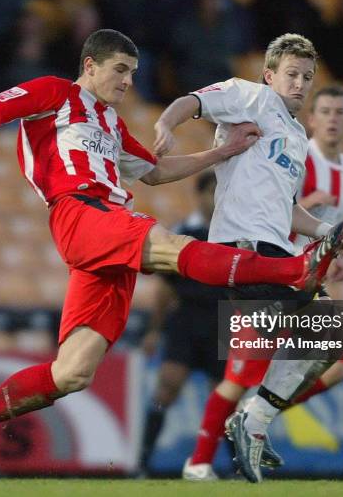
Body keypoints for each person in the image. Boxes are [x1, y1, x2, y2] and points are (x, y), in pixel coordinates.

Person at [0, 29, 343, 482]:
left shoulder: (111, 124)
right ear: (90, 65)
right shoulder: (55, 92)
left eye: (133, 73)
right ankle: (295, 268)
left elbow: (156, 171)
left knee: (72, 373)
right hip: (80, 212)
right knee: (168, 245)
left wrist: (224, 150)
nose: (128, 81)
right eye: (120, 70)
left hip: (104, 234)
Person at [153, 33, 343, 483]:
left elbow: (290, 209)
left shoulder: (294, 134)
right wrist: (166, 125)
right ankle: (250, 423)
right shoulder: (249, 96)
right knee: (329, 334)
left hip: (277, 252)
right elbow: (192, 100)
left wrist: (334, 230)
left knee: (331, 339)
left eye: (307, 77)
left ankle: (247, 422)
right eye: (291, 74)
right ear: (270, 74)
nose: (299, 84)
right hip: (244, 250)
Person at [138, 171, 228, 475]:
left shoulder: (236, 232)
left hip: (223, 322)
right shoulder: (182, 233)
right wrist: (154, 330)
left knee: (227, 396)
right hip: (187, 319)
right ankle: (142, 461)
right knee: (167, 388)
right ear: (200, 195)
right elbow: (165, 288)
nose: (216, 200)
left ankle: (238, 466)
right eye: (211, 192)